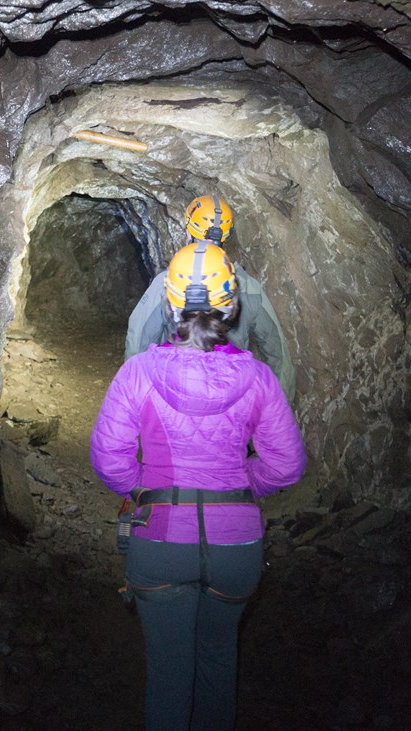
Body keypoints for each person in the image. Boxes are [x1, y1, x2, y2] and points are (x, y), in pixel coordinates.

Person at [90, 237, 307, 731]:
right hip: (237, 547)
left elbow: (108, 459)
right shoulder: (256, 379)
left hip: (161, 543)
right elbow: (286, 464)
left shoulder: (138, 373)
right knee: (217, 662)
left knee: (169, 674)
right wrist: (240, 483)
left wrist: (146, 487)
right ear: (231, 307)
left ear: (169, 303)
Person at [125, 195, 296, 402]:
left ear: (188, 232)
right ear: (226, 236)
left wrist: (138, 402)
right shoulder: (249, 287)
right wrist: (275, 411)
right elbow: (277, 352)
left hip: (173, 399)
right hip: (231, 404)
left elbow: (139, 340)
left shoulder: (168, 281)